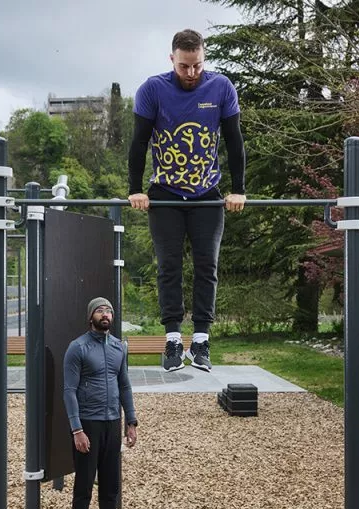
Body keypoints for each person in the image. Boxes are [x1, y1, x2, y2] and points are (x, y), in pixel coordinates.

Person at [128, 28, 246, 373]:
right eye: (184, 67)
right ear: (172, 60)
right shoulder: (153, 89)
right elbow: (138, 143)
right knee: (169, 266)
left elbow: (235, 142)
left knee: (207, 265)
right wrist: (135, 189)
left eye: (196, 66)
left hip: (206, 194)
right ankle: (173, 340)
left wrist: (238, 189)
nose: (191, 73)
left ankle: (202, 341)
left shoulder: (221, 87)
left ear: (203, 59)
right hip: (164, 192)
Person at [63, 297, 138, 509]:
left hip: (112, 424)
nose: (105, 314)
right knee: (84, 487)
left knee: (110, 487)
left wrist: (131, 421)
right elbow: (69, 391)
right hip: (87, 424)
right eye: (100, 310)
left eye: (109, 311)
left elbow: (124, 386)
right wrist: (77, 430)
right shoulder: (78, 347)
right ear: (90, 316)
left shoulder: (118, 346)